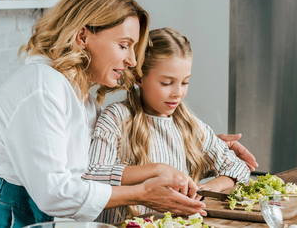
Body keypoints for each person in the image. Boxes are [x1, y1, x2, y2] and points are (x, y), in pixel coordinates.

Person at [0, 0, 257, 228]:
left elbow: (92, 171)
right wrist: (143, 194)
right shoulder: (42, 87)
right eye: (123, 45)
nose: (132, 60)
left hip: (24, 214)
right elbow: (55, 193)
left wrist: (199, 144)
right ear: (82, 36)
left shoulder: (81, 98)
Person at [83, 28, 251, 224]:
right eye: (166, 83)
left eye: (185, 82)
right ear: (139, 77)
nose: (177, 93)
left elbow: (239, 168)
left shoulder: (190, 125)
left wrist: (214, 186)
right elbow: (93, 175)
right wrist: (158, 169)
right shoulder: (116, 117)